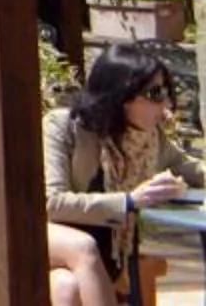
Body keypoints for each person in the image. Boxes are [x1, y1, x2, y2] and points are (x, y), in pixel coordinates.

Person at [46, 51, 206, 306]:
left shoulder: (149, 140)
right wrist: (129, 201)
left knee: (67, 288)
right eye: (155, 94)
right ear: (122, 96)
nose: (165, 106)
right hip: (34, 233)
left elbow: (193, 170)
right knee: (84, 247)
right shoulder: (64, 127)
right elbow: (51, 204)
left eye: (167, 93)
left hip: (99, 257)